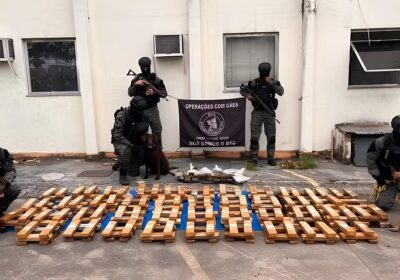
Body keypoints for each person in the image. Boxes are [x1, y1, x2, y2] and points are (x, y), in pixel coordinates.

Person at [240, 62, 284, 166]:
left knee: (271, 137)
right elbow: (242, 90)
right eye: (263, 71)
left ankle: (271, 158)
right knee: (254, 137)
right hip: (257, 113)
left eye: (266, 71)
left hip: (270, 113)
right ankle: (254, 158)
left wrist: (271, 83)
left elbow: (281, 92)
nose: (265, 73)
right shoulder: (255, 83)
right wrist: (247, 96)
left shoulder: (274, 82)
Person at [128, 57, 167, 149]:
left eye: (147, 67)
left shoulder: (156, 79)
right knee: (140, 132)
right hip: (139, 111)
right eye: (143, 67)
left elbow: (164, 94)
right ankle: (141, 155)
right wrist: (135, 85)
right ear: (140, 67)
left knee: (157, 130)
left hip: (152, 109)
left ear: (149, 66)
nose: (145, 69)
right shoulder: (137, 78)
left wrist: (153, 92)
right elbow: (130, 93)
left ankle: (158, 152)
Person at [111, 96, 149, 185]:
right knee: (126, 151)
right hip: (122, 142)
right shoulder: (122, 115)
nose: (142, 112)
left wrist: (143, 144)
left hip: (135, 141)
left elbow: (144, 132)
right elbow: (117, 136)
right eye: (140, 110)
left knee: (134, 173)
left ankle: (120, 162)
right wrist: (131, 145)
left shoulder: (143, 115)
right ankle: (123, 174)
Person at [367, 115, 400, 211]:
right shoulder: (381, 142)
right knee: (384, 205)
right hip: (388, 180)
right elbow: (371, 161)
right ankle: (386, 191)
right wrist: (379, 178)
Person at [0, 147, 19, 218]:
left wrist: (5, 182)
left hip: (1, 182)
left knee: (14, 190)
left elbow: (11, 171)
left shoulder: (3, 153)